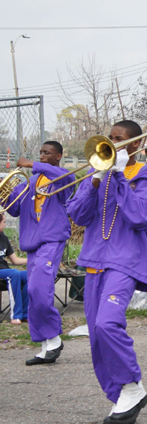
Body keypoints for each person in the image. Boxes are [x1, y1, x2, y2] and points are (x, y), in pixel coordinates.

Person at [66, 119, 147, 424]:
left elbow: (141, 216)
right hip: (95, 259)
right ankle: (121, 392)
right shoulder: (98, 174)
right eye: (110, 138)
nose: (112, 143)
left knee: (107, 323)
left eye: (118, 139)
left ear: (136, 144)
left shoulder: (145, 174)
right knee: (96, 334)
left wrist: (119, 176)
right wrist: (95, 180)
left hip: (126, 260)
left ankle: (132, 386)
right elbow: (78, 215)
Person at [5, 141, 72, 365]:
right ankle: (46, 345)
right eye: (40, 153)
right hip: (32, 242)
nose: (42, 156)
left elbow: (63, 178)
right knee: (34, 293)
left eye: (47, 153)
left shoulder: (63, 176)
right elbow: (14, 209)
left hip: (52, 239)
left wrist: (30, 164)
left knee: (38, 288)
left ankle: (53, 339)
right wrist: (4, 195)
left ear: (58, 156)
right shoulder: (30, 182)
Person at [0, 213, 28, 324]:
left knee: (29, 275)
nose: (5, 225)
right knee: (14, 273)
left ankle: (25, 313)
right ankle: (16, 315)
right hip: (7, 273)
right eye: (4, 222)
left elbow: (15, 260)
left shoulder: (3, 238)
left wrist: (34, 259)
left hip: (5, 270)